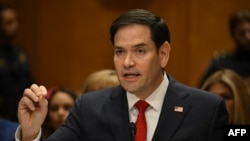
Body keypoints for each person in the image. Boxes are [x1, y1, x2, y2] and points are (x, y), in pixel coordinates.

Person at [16, 9, 228, 141]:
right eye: (119, 52)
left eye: (140, 51)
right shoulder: (89, 108)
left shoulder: (206, 110)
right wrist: (30, 134)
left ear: (163, 54)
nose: (127, 62)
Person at [198, 8, 250, 94]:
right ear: (233, 34)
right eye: (242, 33)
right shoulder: (221, 64)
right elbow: (202, 92)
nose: (248, 37)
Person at [0, 4, 34, 122]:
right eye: (9, 22)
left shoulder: (20, 52)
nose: (15, 26)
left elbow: (29, 82)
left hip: (22, 114)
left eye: (16, 21)